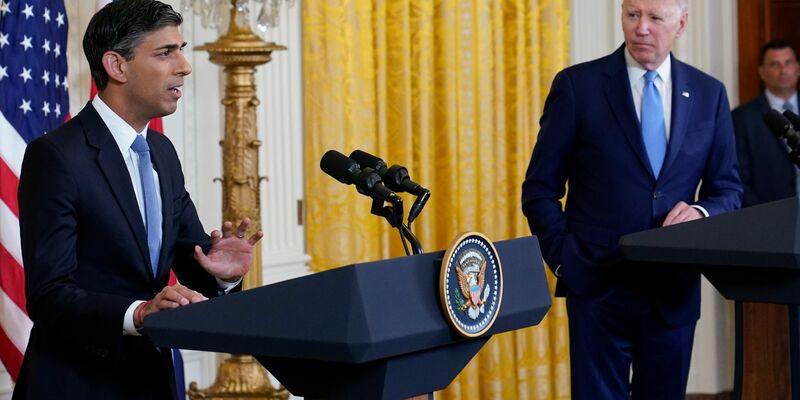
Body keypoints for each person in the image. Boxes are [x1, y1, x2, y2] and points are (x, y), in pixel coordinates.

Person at [14, 1, 263, 398]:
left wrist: (222, 275)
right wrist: (140, 313)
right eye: (166, 52)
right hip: (78, 383)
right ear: (117, 66)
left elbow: (189, 264)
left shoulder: (161, 153)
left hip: (152, 380)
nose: (184, 65)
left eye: (180, 50)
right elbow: (49, 296)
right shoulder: (57, 156)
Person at [520, 0, 742, 398]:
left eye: (655, 18)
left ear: (682, 23)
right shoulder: (578, 86)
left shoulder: (709, 93)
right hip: (597, 286)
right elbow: (539, 190)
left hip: (672, 291)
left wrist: (701, 211)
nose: (641, 28)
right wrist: (564, 260)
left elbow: (727, 190)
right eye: (632, 14)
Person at [734, 39, 800, 207]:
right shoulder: (742, 118)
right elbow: (738, 179)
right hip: (773, 218)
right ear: (762, 72)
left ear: (797, 68)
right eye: (775, 65)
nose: (783, 70)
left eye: (788, 62)